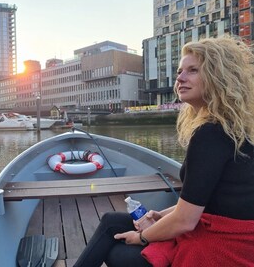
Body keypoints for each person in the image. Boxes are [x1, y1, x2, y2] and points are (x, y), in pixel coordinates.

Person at [73, 35, 254, 267]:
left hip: (225, 248)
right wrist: (160, 214)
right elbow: (204, 200)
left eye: (192, 70)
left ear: (218, 77)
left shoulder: (211, 134)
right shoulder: (234, 129)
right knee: (112, 222)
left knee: (117, 252)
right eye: (180, 71)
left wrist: (141, 237)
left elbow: (186, 221)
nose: (180, 78)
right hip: (236, 237)